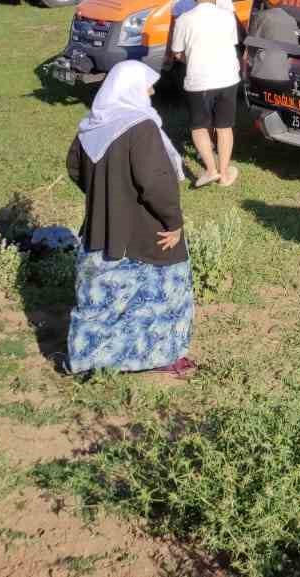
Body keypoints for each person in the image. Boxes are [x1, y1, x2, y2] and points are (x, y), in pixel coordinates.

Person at [65, 61, 195, 378]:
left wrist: (105, 197)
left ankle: (91, 360)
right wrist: (173, 222)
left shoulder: (92, 127)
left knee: (101, 299)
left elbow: (75, 168)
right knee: (164, 294)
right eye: (146, 85)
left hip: (102, 228)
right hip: (148, 230)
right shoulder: (141, 128)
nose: (151, 91)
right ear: (132, 89)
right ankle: (158, 356)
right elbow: (156, 182)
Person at [169, 0, 240, 188]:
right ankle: (225, 173)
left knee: (199, 126)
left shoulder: (183, 19)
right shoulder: (228, 17)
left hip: (198, 80)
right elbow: (233, 43)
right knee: (225, 127)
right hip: (228, 78)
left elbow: (177, 53)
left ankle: (210, 170)